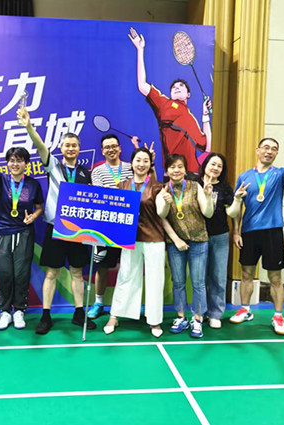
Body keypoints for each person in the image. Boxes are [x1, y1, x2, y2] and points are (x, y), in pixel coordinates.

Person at [17, 106, 96, 335]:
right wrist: (29, 126)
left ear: (79, 148)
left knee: (77, 273)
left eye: (74, 145)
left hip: (78, 230)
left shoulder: (85, 173)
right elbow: (41, 146)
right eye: (67, 145)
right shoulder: (53, 165)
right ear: (61, 148)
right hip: (56, 228)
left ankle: (79, 313)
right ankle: (46, 316)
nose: (70, 148)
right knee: (52, 273)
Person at [230, 138, 284, 334]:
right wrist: (236, 231)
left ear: (277, 154)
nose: (269, 151)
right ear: (258, 150)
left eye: (274, 149)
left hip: (273, 231)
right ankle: (245, 310)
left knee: (275, 277)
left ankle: (278, 316)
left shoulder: (278, 174)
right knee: (246, 274)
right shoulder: (244, 176)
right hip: (249, 232)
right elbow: (237, 206)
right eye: (266, 147)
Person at [128, 27, 212, 175]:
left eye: (181, 86)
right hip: (171, 171)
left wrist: (205, 116)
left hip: (193, 174)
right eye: (174, 87)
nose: (177, 88)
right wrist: (140, 50)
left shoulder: (191, 119)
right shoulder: (164, 103)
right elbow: (142, 85)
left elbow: (207, 147)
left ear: (188, 94)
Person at [103, 147, 166, 338]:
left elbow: (162, 212)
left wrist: (166, 203)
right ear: (131, 163)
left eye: (145, 161)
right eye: (138, 160)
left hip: (154, 239)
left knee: (155, 280)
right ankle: (115, 316)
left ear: (150, 164)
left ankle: (154, 320)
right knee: (126, 276)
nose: (141, 164)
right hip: (130, 240)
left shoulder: (157, 187)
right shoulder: (122, 185)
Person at [0, 147, 44, 330]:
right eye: (12, 160)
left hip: (24, 232)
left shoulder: (33, 184)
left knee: (21, 273)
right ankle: (5, 311)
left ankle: (19, 310)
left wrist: (33, 216)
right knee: (4, 273)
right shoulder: (1, 180)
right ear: (7, 163)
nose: (15, 164)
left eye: (19, 160)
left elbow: (39, 207)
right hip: (2, 232)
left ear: (26, 163)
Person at [156, 154, 214, 338]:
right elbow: (161, 216)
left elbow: (208, 213)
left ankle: (197, 319)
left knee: (198, 283)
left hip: (199, 240)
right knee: (178, 282)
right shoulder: (163, 190)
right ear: (167, 171)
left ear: (185, 169)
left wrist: (208, 196)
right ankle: (181, 317)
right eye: (172, 167)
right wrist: (176, 240)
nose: (176, 170)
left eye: (180, 166)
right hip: (175, 243)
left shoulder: (195, 186)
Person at [198, 153, 247, 329]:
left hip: (219, 236)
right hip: (198, 237)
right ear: (205, 165)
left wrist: (237, 199)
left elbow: (232, 212)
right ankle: (200, 312)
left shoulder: (225, 188)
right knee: (199, 278)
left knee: (218, 276)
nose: (215, 168)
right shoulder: (194, 183)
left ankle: (215, 314)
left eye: (219, 166)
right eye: (213, 164)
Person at [88, 133, 133, 319]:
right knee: (102, 267)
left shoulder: (131, 167)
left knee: (129, 267)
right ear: (102, 151)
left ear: (120, 148)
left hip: (127, 226)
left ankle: (128, 304)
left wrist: (114, 192)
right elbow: (101, 197)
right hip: (104, 228)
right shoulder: (97, 171)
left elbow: (135, 192)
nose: (111, 150)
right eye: (107, 147)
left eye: (114, 146)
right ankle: (98, 302)